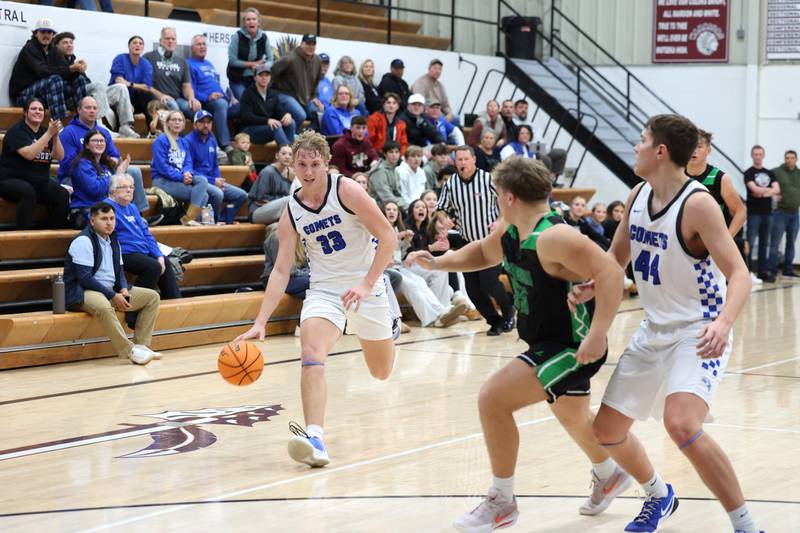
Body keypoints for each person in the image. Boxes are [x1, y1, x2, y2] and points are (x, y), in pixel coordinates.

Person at [407, 156, 629, 532]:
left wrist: (597, 334)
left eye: (496, 193)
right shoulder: (512, 230)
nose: (495, 199)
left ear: (508, 196)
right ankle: (608, 474)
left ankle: (502, 501)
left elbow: (611, 272)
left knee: (492, 399)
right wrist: (438, 262)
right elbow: (481, 253)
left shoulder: (554, 236)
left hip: (570, 346)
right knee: (574, 418)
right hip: (548, 339)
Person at [570, 114, 761, 533]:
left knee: (681, 424)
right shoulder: (638, 193)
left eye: (641, 140)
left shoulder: (698, 204)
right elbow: (615, 260)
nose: (635, 147)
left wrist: (725, 323)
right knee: (605, 431)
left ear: (660, 151)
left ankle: (746, 525)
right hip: (652, 329)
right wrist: (592, 285)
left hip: (698, 329)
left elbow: (740, 274)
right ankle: (660, 496)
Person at [235, 131, 399, 468]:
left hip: (365, 287)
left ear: (326, 163)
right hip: (325, 290)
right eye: (301, 164)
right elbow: (281, 270)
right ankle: (314, 438)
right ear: (292, 165)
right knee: (310, 354)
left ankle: (386, 324)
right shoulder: (292, 208)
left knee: (381, 372)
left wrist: (367, 286)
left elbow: (387, 236)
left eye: (314, 164)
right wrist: (261, 321)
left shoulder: (347, 190)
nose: (308, 171)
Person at [64, 201, 161, 365]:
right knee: (103, 306)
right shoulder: (83, 241)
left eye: (112, 218)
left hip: (110, 290)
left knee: (152, 297)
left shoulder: (114, 239)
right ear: (92, 221)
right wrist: (113, 295)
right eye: (104, 219)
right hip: (82, 291)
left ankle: (142, 346)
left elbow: (120, 269)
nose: (109, 222)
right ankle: (129, 351)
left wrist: (123, 288)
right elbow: (85, 278)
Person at [437, 145, 515, 335]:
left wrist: (499, 222)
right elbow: (441, 208)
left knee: (489, 282)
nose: (462, 163)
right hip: (467, 242)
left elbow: (509, 203)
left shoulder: (489, 179)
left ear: (473, 160)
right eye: (459, 159)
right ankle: (494, 320)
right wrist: (444, 219)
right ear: (455, 162)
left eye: (466, 159)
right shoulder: (451, 184)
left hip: (490, 240)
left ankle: (508, 311)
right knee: (472, 288)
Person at [57, 96, 149, 215]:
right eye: (88, 107)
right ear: (79, 110)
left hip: (102, 170)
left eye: (95, 108)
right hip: (75, 175)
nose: (92, 111)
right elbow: (68, 164)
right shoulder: (69, 132)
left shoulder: (103, 132)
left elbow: (115, 157)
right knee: (98, 182)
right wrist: (94, 162)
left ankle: (138, 215)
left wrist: (106, 166)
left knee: (134, 171)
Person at [383, 200, 466, 327]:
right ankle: (434, 318)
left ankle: (444, 313)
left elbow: (404, 252)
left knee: (428, 279)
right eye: (388, 209)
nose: (392, 212)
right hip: (394, 269)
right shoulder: (384, 229)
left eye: (394, 209)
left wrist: (406, 243)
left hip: (402, 266)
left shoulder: (401, 229)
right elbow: (407, 254)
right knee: (413, 285)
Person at [685, 129, 749, 280]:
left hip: (712, 248)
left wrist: (727, 237)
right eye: (691, 145)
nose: (694, 150)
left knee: (712, 296)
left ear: (708, 150)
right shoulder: (676, 175)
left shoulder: (720, 178)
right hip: (682, 244)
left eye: (699, 146)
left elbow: (741, 211)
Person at [106, 174, 181, 299]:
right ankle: (136, 303)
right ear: (113, 190)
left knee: (165, 262)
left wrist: (158, 255)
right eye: (124, 187)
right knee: (153, 266)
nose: (129, 190)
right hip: (123, 252)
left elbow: (146, 233)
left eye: (131, 187)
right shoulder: (106, 207)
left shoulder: (133, 207)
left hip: (140, 250)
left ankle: (176, 304)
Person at [53, 31, 137, 138]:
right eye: (65, 43)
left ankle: (125, 126)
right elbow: (57, 82)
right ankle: (99, 126)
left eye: (71, 42)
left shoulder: (74, 60)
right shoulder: (54, 59)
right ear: (57, 46)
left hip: (84, 93)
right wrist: (73, 69)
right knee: (97, 85)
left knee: (121, 87)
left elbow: (86, 83)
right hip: (71, 97)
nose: (69, 45)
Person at [0, 98, 69, 229]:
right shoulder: (16, 131)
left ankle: (56, 233)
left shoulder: (45, 132)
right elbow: (29, 154)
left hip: (39, 183)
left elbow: (59, 156)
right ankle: (22, 234)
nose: (37, 112)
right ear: (25, 112)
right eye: (33, 109)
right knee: (28, 192)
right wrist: (49, 134)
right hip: (9, 180)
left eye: (40, 109)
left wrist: (55, 136)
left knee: (62, 194)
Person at [9, 18, 88, 121]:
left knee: (79, 80)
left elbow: (66, 71)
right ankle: (59, 126)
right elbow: (43, 71)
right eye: (43, 32)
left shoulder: (54, 50)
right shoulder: (29, 48)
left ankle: (83, 122)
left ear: (53, 35)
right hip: (23, 95)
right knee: (55, 79)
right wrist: (71, 68)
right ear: (35, 33)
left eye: (49, 32)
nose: (46, 35)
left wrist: (79, 70)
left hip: (45, 94)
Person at [185, 110, 248, 223]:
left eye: (209, 122)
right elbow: (190, 170)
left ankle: (222, 219)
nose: (206, 125)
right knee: (218, 194)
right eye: (202, 122)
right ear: (194, 125)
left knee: (242, 195)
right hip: (199, 182)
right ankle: (212, 221)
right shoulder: (187, 141)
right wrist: (214, 181)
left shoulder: (212, 141)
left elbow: (215, 165)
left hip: (213, 181)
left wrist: (219, 181)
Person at [151, 111, 210, 226]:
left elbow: (188, 162)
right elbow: (162, 168)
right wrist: (181, 177)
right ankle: (189, 220)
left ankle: (188, 219)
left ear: (183, 124)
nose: (177, 122)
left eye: (180, 120)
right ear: (167, 123)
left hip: (179, 178)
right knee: (203, 195)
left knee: (202, 181)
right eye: (174, 120)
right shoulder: (160, 141)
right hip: (162, 180)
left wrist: (187, 173)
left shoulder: (183, 142)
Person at [188, 34, 236, 154]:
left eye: (204, 44)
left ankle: (242, 142)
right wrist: (208, 97)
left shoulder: (209, 63)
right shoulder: (189, 64)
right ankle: (225, 144)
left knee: (241, 107)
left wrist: (229, 98)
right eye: (199, 44)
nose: (202, 47)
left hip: (220, 99)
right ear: (192, 48)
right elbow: (190, 90)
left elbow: (216, 85)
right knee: (221, 104)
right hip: (205, 102)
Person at [69, 130, 127, 227]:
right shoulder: (82, 164)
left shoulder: (107, 164)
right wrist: (116, 176)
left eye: (102, 141)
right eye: (95, 141)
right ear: (87, 145)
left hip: (104, 208)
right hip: (84, 210)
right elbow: (95, 189)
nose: (99, 143)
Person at [143, 27, 202, 119]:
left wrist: (192, 99)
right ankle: (179, 134)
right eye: (167, 38)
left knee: (198, 113)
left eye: (173, 39)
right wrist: (160, 95)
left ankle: (197, 133)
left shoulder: (181, 61)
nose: (170, 41)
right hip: (157, 99)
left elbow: (187, 87)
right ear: (160, 41)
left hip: (177, 99)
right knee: (174, 107)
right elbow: (144, 85)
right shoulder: (149, 57)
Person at [743, 145, 780, 281]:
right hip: (753, 213)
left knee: (764, 243)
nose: (757, 156)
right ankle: (746, 272)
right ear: (752, 156)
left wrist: (763, 194)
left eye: (760, 154)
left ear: (763, 156)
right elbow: (754, 189)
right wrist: (769, 191)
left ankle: (762, 272)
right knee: (750, 243)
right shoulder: (748, 173)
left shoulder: (770, 173)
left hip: (767, 213)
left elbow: (777, 189)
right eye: (755, 154)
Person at [271, 33, 323, 127]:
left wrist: (313, 96)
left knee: (317, 113)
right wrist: (272, 93)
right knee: (300, 115)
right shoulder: (289, 58)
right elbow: (272, 72)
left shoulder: (317, 60)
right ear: (302, 44)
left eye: (313, 44)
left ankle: (309, 138)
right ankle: (291, 137)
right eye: (308, 44)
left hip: (304, 97)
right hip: (285, 94)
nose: (311, 47)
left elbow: (316, 80)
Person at [239, 63, 296, 147]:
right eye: (261, 75)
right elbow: (247, 116)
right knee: (275, 126)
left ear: (270, 77)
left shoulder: (272, 93)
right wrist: (267, 120)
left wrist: (287, 114)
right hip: (250, 130)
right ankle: (286, 152)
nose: (264, 78)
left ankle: (289, 151)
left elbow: (279, 110)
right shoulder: (248, 93)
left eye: (267, 75)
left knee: (291, 122)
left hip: (267, 129)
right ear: (254, 78)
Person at [227, 8, 272, 101]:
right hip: (237, 78)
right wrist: (252, 64)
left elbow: (271, 60)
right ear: (244, 23)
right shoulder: (237, 36)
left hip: (256, 78)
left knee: (261, 101)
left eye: (254, 19)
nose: (251, 22)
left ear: (258, 22)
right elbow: (232, 61)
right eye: (248, 19)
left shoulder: (264, 37)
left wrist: (261, 66)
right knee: (246, 100)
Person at [768, 149, 800, 280]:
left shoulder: (799, 173)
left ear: (796, 159)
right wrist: (773, 195)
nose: (789, 160)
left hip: (795, 213)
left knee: (791, 243)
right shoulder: (776, 172)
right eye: (787, 157)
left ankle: (788, 270)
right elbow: (765, 183)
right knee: (775, 243)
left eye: (792, 158)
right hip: (780, 213)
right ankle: (772, 270)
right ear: (784, 159)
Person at [109, 36, 158, 117]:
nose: (137, 45)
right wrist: (127, 104)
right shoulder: (120, 58)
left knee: (149, 96)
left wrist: (129, 84)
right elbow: (119, 81)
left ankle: (152, 128)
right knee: (121, 89)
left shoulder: (146, 64)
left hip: (134, 100)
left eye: (140, 43)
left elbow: (147, 87)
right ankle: (120, 128)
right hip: (117, 97)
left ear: (143, 47)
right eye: (134, 43)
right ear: (129, 46)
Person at [260, 222, 310, 298]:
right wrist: (310, 274)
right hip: (276, 280)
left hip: (299, 278)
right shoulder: (277, 237)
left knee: (314, 292)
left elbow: (309, 265)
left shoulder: (303, 235)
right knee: (314, 283)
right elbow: (288, 271)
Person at [249, 144, 294, 224]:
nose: (287, 157)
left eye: (290, 154)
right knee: (290, 200)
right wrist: (281, 199)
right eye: (283, 154)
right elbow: (261, 198)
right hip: (257, 211)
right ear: (277, 156)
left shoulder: (291, 174)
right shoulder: (268, 172)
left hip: (276, 210)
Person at [411, 58, 458, 125]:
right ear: (429, 69)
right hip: (426, 114)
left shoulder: (440, 85)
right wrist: (439, 114)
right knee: (443, 120)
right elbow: (421, 104)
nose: (437, 71)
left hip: (439, 114)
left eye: (440, 69)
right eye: (435, 68)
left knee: (456, 118)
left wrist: (449, 114)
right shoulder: (420, 83)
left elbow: (445, 104)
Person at [368, 141, 407, 210]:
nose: (394, 155)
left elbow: (397, 192)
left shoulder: (394, 169)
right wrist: (405, 207)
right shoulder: (379, 171)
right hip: (378, 207)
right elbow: (386, 196)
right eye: (391, 152)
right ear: (385, 154)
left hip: (392, 205)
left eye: (396, 152)